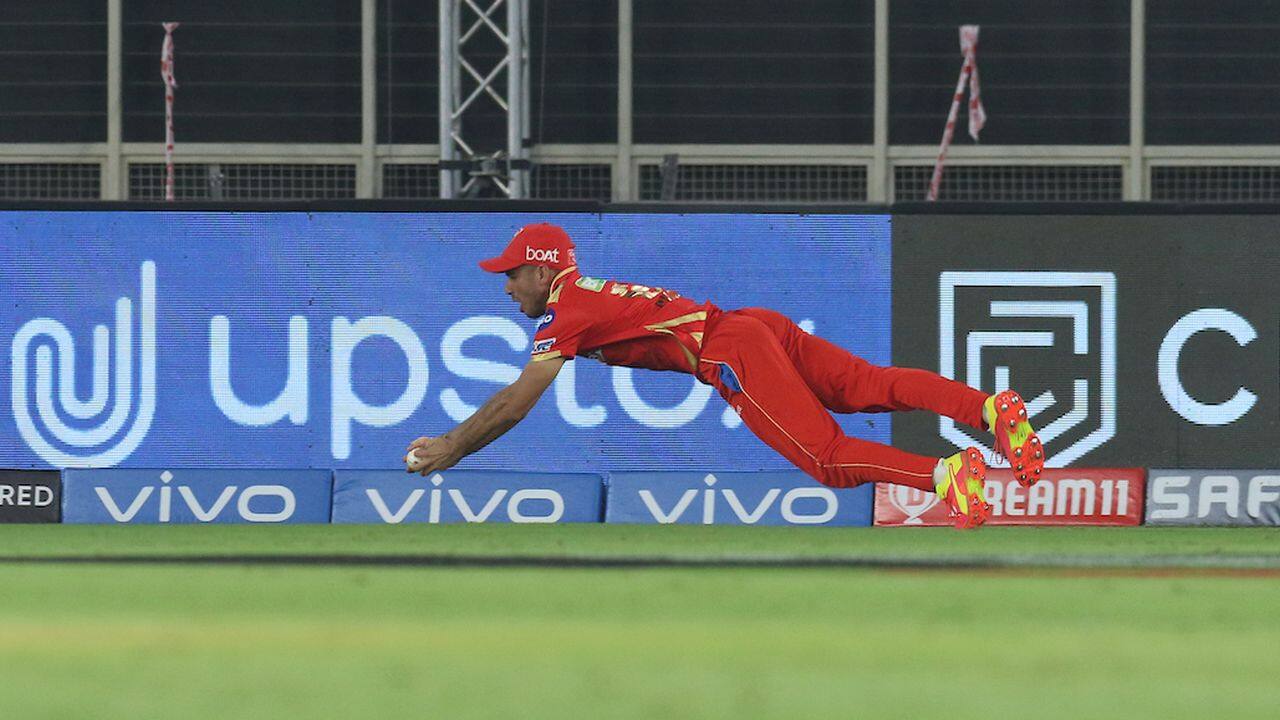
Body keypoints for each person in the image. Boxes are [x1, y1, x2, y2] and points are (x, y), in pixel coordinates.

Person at [405, 223, 1045, 529]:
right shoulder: (578, 296)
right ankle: (991, 410)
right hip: (746, 325)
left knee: (825, 458)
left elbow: (518, 402)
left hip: (730, 349)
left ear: (543, 271)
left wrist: (451, 448)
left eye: (511, 273)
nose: (506, 285)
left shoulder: (564, 309)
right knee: (866, 387)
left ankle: (946, 474)